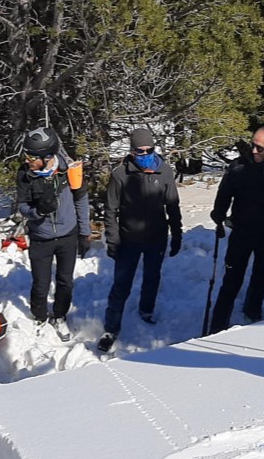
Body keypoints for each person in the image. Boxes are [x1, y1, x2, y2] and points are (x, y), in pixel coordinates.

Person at [207, 125, 264, 333]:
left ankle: (252, 313)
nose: (254, 151)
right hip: (242, 232)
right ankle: (218, 325)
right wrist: (219, 215)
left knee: (260, 276)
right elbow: (224, 194)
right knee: (231, 280)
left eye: (260, 148)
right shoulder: (239, 166)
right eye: (253, 145)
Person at [98, 128, 182, 352]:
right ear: (132, 151)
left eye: (149, 149)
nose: (145, 154)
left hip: (156, 237)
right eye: (140, 150)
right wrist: (113, 239)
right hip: (129, 240)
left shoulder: (164, 171)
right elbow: (111, 210)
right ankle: (111, 327)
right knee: (121, 285)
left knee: (152, 277)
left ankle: (147, 310)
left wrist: (177, 234)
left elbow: (172, 204)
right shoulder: (120, 175)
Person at [16, 127, 92, 342]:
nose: (27, 159)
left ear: (47, 156)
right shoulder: (25, 175)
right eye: (26, 154)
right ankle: (40, 317)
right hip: (41, 237)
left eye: (31, 156)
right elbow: (22, 205)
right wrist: (37, 211)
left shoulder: (69, 170)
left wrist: (84, 233)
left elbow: (81, 199)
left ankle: (60, 315)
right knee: (40, 282)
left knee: (65, 281)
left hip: (68, 234)